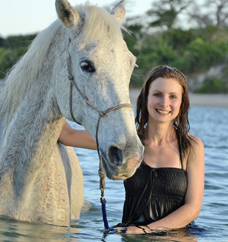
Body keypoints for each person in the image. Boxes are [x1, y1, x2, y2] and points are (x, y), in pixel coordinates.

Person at [58, 65, 205, 235]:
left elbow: (193, 208)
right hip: (131, 235)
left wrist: (146, 230)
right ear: (146, 99)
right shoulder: (125, 141)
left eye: (173, 97)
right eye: (157, 94)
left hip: (176, 236)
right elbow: (68, 135)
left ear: (182, 103)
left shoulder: (191, 146)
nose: (164, 103)